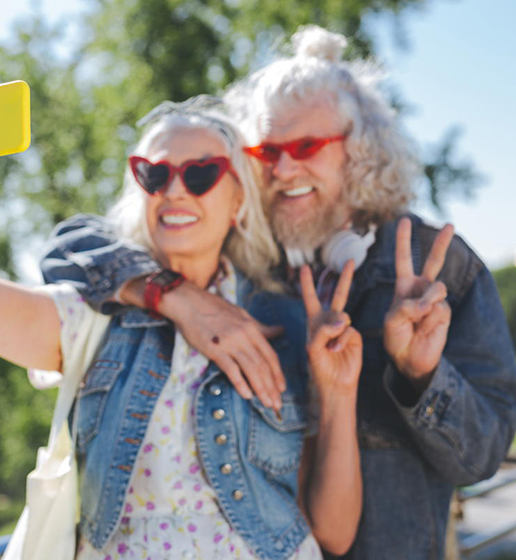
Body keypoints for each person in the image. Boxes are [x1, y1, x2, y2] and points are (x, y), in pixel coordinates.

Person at [37, 26, 516, 560]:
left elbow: (483, 459)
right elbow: (73, 244)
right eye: (267, 151)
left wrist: (424, 376)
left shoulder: (438, 266)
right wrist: (176, 296)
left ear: (361, 150)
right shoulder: (232, 253)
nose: (285, 169)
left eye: (306, 147)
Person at [0, 87, 364, 558]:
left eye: (200, 174)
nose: (174, 190)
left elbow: (334, 533)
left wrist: (338, 391)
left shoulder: (284, 322)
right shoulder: (95, 318)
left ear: (239, 198)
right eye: (154, 174)